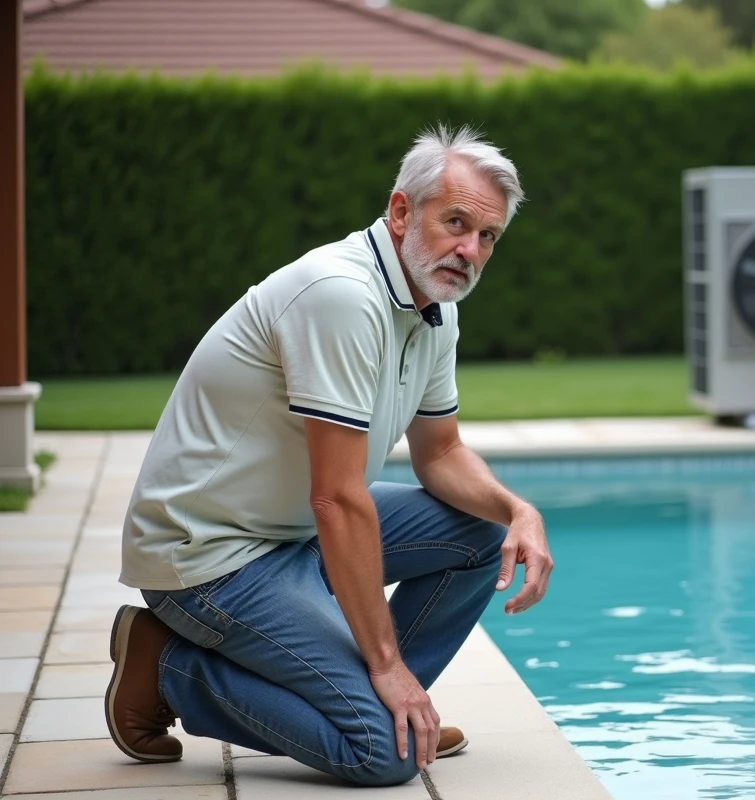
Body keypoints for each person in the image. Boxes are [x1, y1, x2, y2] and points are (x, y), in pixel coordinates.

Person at [105, 124, 553, 787]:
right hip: (207, 557)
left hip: (291, 534)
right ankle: (169, 668)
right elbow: (338, 497)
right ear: (401, 211)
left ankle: (397, 706)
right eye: (455, 222)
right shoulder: (341, 295)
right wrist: (385, 664)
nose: (470, 249)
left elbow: (442, 453)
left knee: (482, 532)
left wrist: (519, 510)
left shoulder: (435, 307)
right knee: (382, 756)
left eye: (487, 236)